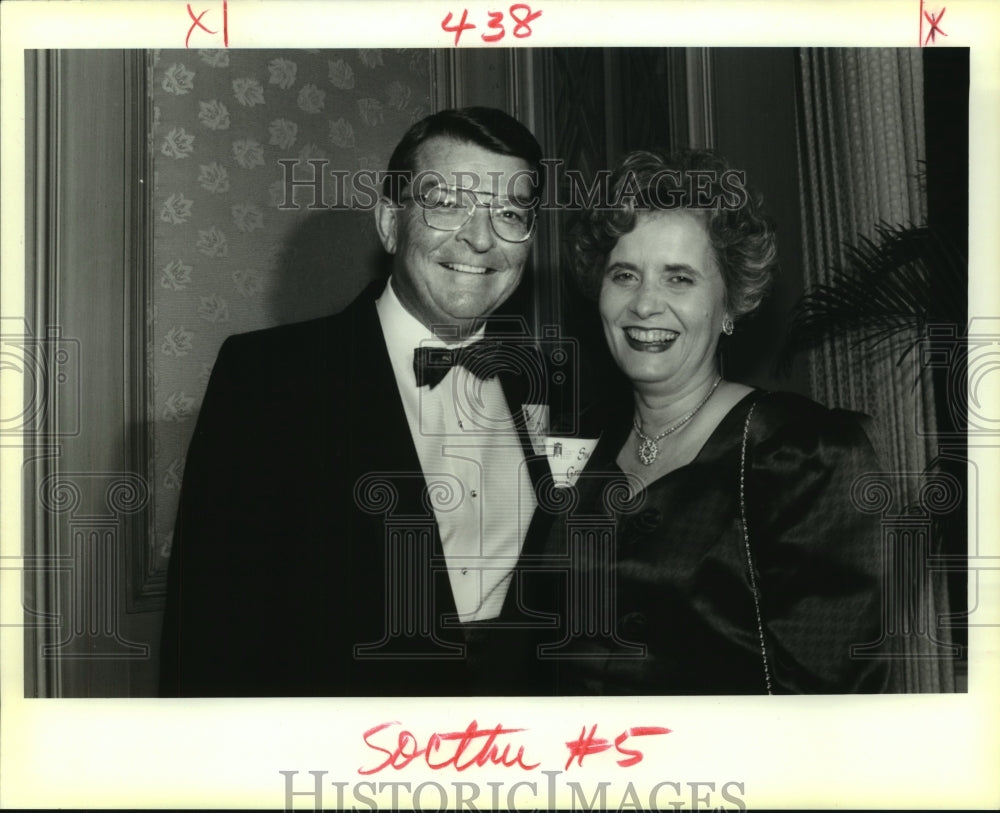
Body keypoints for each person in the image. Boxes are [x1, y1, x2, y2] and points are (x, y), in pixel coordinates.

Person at [159, 107, 556, 696]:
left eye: (509, 214)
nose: (480, 237)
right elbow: (211, 628)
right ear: (391, 224)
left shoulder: (551, 381)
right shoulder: (268, 379)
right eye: (447, 204)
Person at [523, 148, 891, 694]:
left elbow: (832, 704)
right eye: (625, 274)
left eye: (679, 279)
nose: (645, 305)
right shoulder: (576, 444)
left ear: (729, 306)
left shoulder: (805, 456)